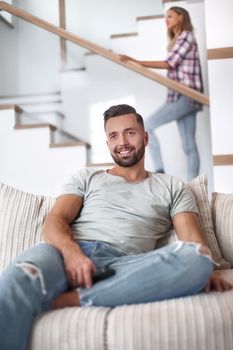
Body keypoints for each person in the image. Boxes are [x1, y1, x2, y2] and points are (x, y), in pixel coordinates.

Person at [0, 104, 231, 350]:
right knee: (17, 279)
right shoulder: (87, 178)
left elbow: (194, 243)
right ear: (108, 143)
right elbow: (54, 220)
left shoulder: (173, 186)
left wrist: (206, 269)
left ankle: (76, 298)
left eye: (130, 132)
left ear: (144, 137)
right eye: (113, 136)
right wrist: (72, 254)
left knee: (197, 258)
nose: (122, 141)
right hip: (62, 255)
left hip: (125, 265)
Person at [120, 6, 203, 180]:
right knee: (188, 144)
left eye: (170, 16)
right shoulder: (177, 39)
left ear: (181, 17)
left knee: (148, 125)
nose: (167, 20)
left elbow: (169, 63)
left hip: (186, 96)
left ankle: (159, 170)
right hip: (182, 97)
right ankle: (193, 185)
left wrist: (137, 61)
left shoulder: (186, 36)